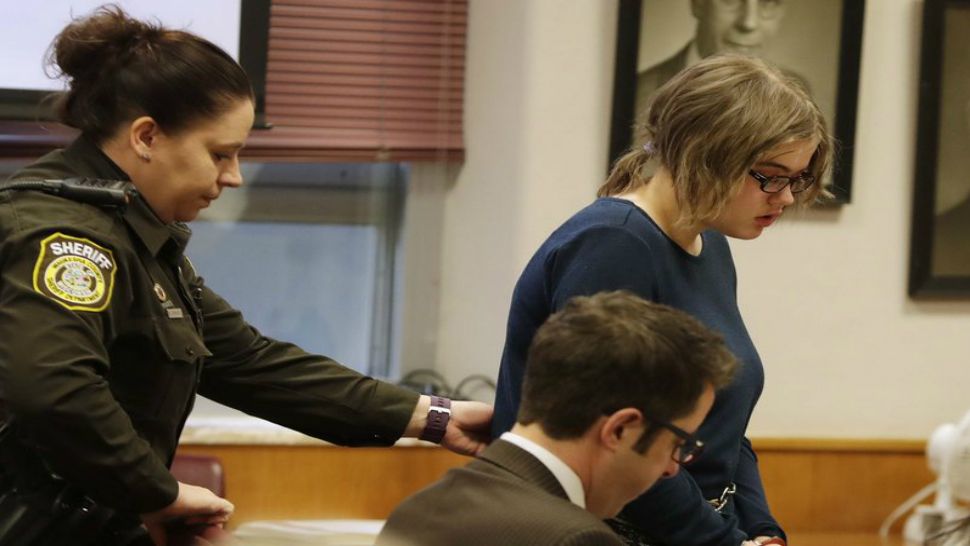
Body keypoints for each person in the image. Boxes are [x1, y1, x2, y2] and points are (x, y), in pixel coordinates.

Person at [0, 6, 491, 546]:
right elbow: (52, 388)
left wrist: (435, 418)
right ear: (146, 136)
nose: (233, 176)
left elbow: (251, 362)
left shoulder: (133, 237)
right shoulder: (66, 237)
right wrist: (158, 492)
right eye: (220, 154)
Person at [493, 54, 833, 546]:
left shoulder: (708, 242)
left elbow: (724, 427)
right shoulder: (615, 243)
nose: (784, 198)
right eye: (771, 176)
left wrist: (760, 528)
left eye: (797, 179)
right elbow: (617, 444)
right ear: (707, 154)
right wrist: (723, 541)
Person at [377, 291, 737, 546]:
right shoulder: (575, 539)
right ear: (621, 429)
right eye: (677, 443)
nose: (673, 468)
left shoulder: (420, 507)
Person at [636, 0, 793, 116]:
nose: (749, 23)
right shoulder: (638, 95)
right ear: (697, 4)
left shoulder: (796, 95)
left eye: (769, 2)